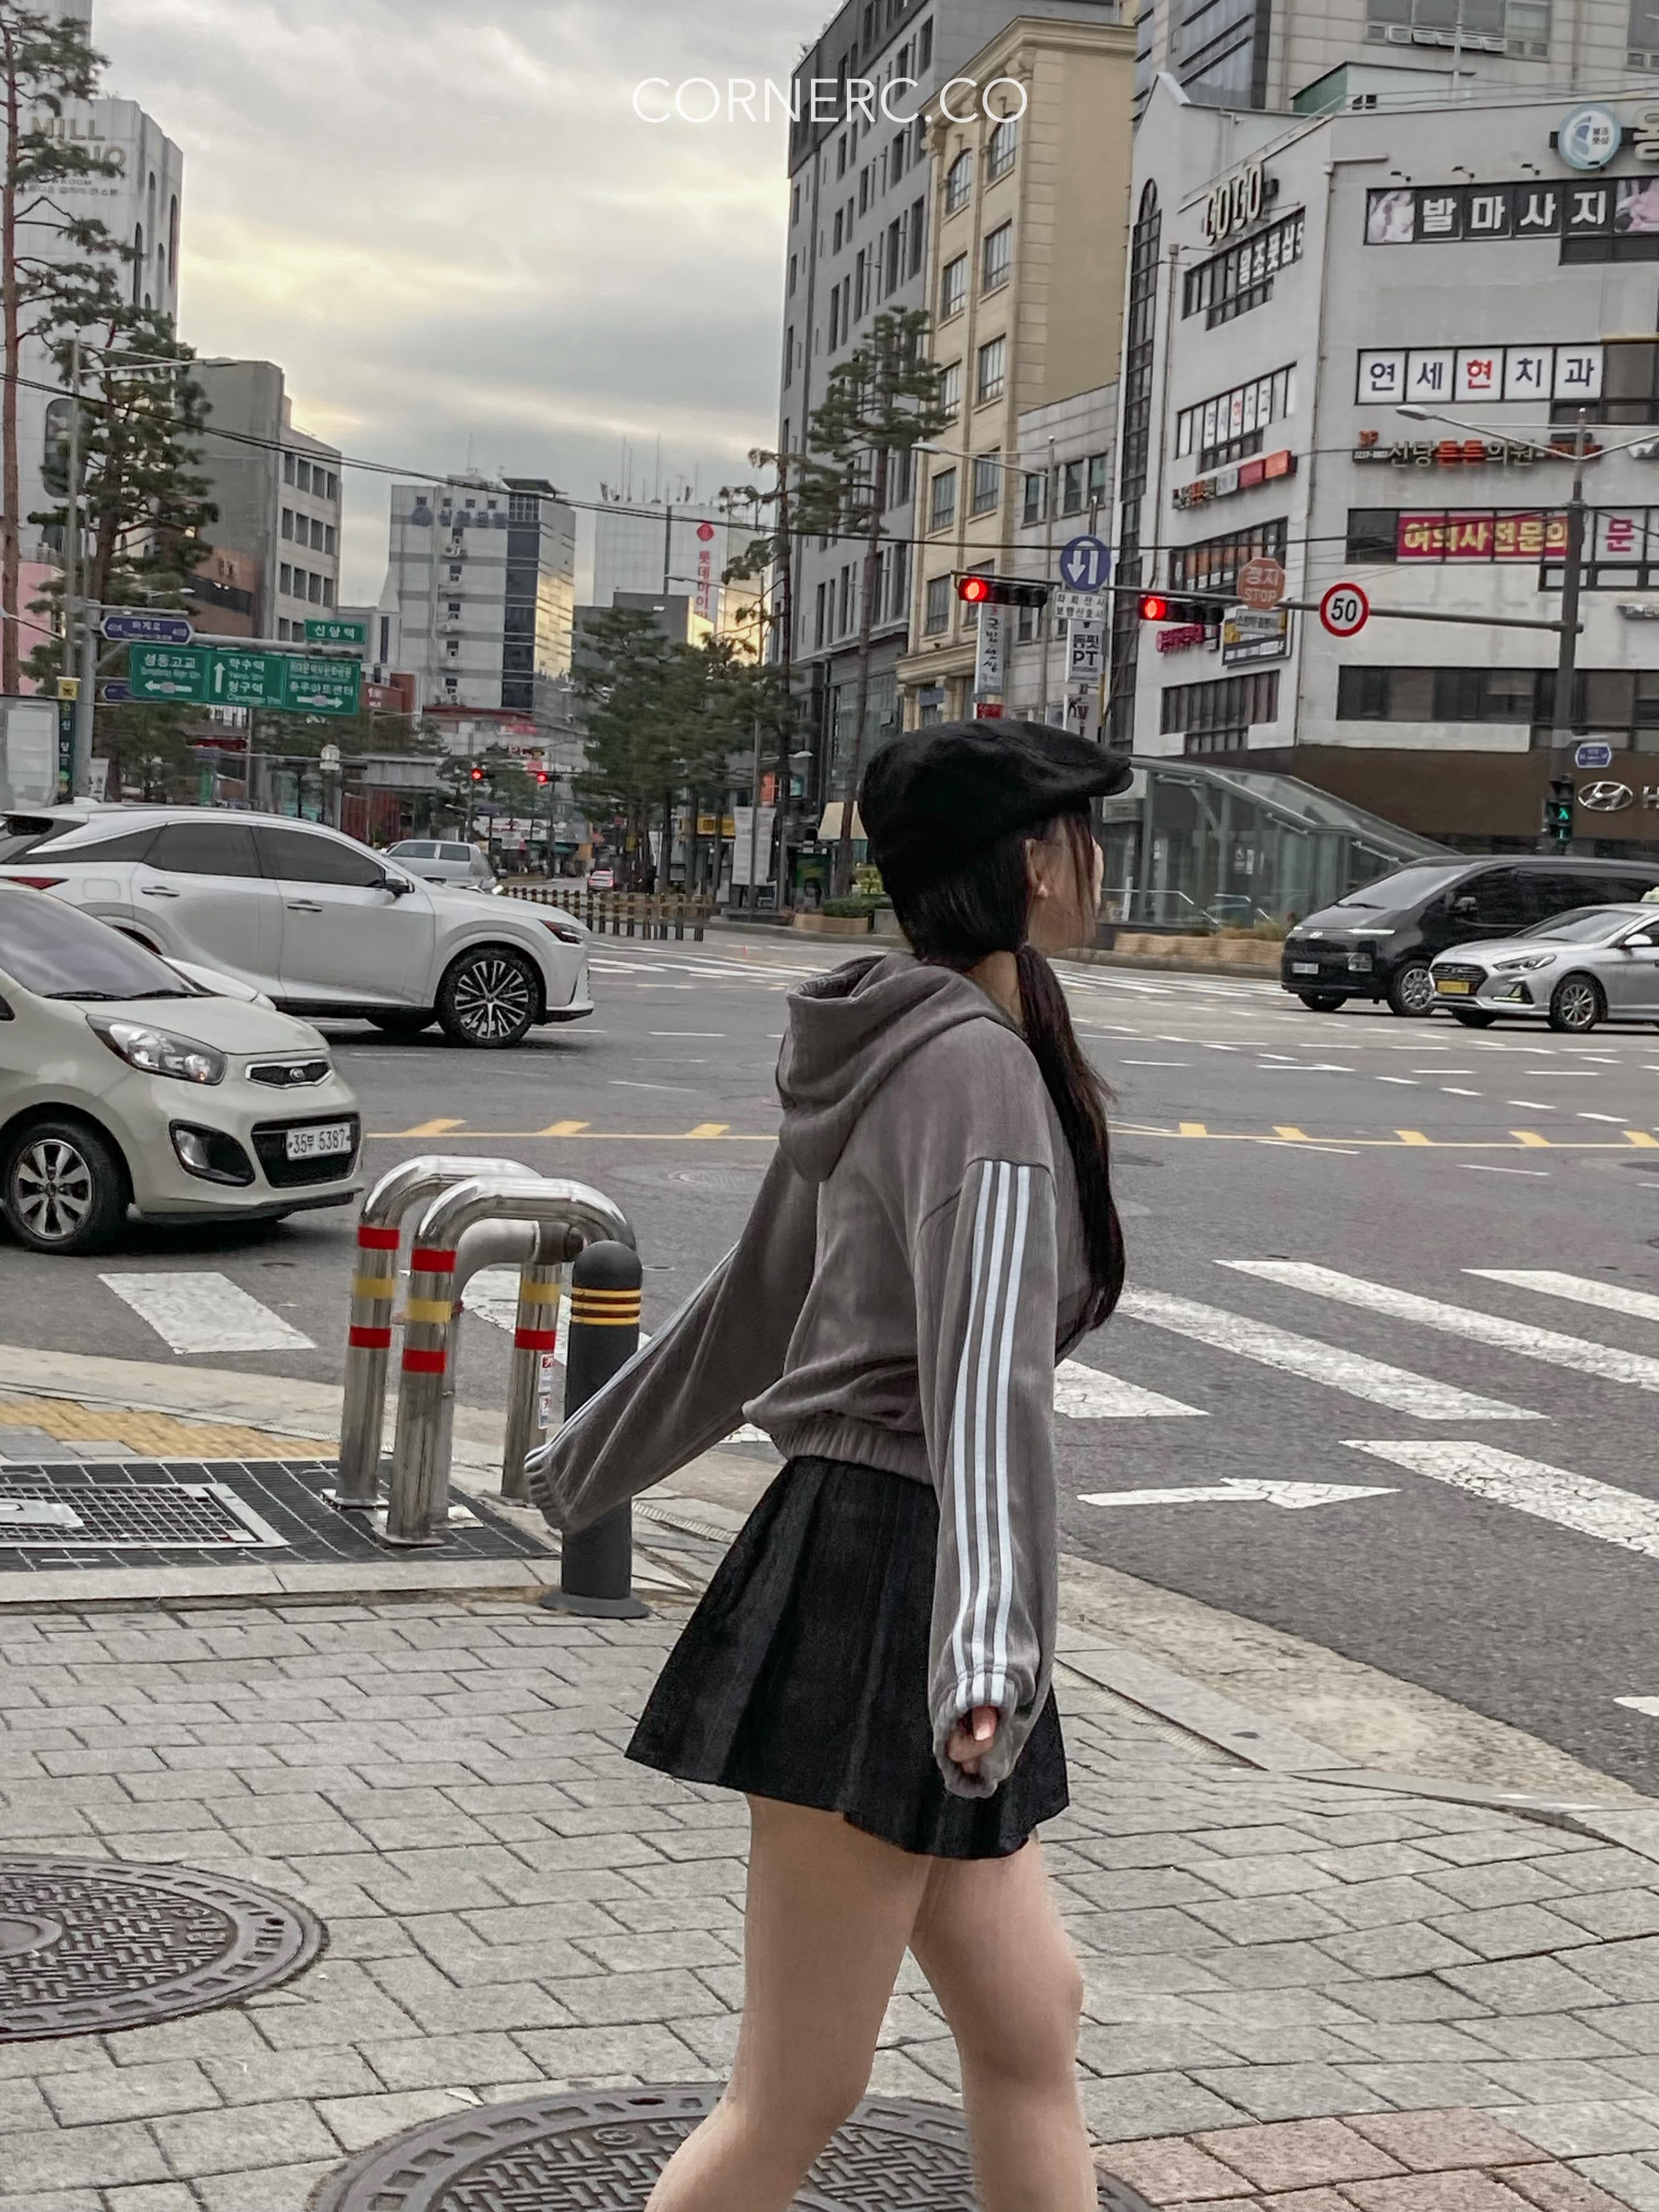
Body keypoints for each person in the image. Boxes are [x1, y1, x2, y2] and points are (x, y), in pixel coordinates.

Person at [532, 719, 1132, 2212]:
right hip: (895, 1590)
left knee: (1030, 2018)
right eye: (1079, 833)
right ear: (1029, 861)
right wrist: (988, 1651)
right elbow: (984, 1387)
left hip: (897, 1568)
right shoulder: (972, 1068)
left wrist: (584, 1464)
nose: (1097, 860)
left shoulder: (897, 1040)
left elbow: (755, 1300)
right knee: (797, 2090)